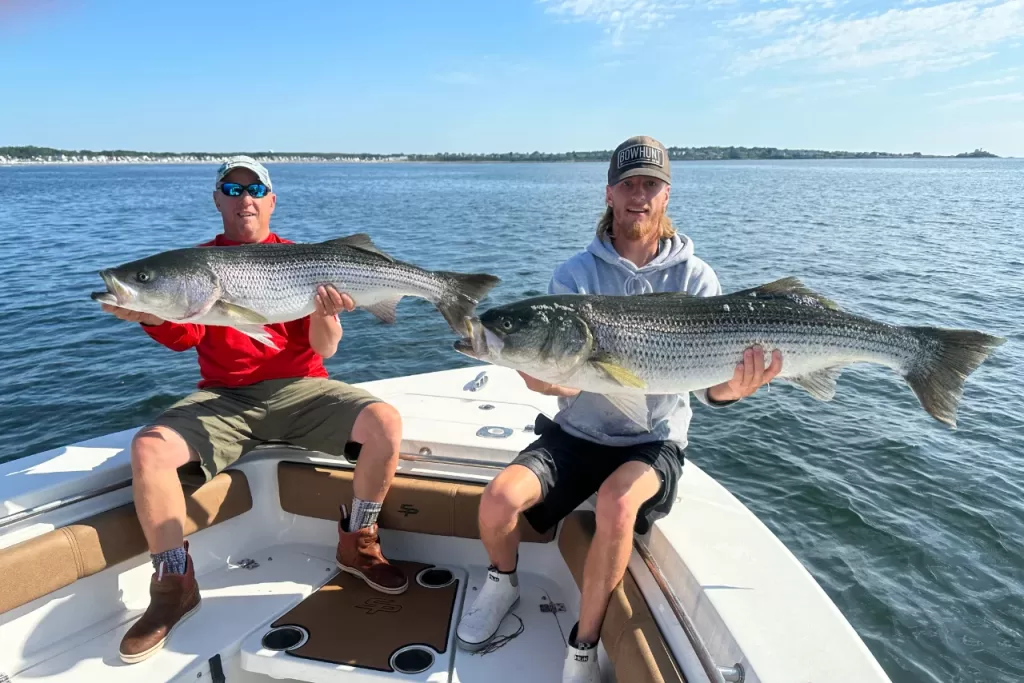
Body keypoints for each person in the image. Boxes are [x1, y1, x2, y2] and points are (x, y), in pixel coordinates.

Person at [454, 136, 782, 682]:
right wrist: (542, 377)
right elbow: (556, 382)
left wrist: (736, 387)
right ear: (609, 193)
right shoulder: (574, 276)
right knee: (497, 501)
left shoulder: (696, 279)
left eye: (649, 185)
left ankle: (583, 646)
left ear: (666, 194)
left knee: (616, 504)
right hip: (580, 432)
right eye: (628, 184)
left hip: (652, 441)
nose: (638, 196)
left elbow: (710, 390)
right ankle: (501, 581)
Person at [101, 156, 408, 664]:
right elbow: (184, 335)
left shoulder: (302, 258)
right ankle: (174, 581)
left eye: (255, 189)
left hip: (303, 390)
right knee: (150, 448)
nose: (244, 197)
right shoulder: (198, 265)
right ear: (218, 199)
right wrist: (148, 309)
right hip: (226, 398)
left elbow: (326, 350)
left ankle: (358, 540)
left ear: (270, 200)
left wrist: (327, 312)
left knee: (384, 423)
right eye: (231, 187)